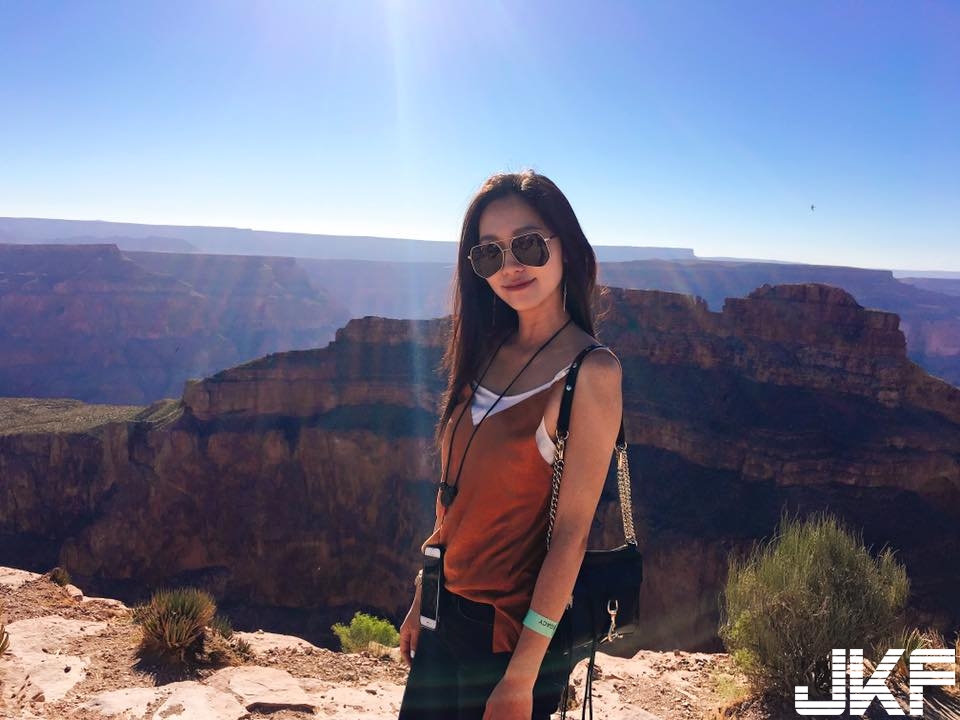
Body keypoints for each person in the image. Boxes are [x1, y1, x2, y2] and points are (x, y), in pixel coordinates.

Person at [397, 170, 623, 720]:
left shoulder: (589, 372)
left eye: (527, 244)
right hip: (443, 615)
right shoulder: (485, 350)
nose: (510, 266)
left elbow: (571, 536)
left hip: (505, 641)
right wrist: (423, 599)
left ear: (566, 246)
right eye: (489, 253)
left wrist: (521, 677)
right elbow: (454, 497)